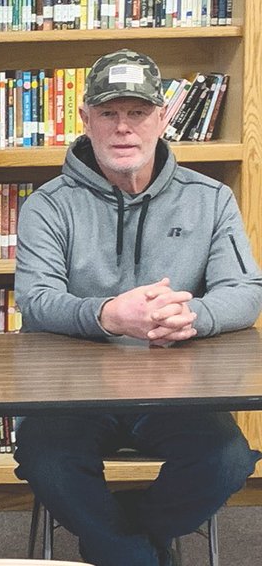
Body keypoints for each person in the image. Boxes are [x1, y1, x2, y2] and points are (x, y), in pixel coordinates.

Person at [14, 49, 262, 566]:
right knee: (47, 461)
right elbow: (36, 302)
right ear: (85, 120)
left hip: (177, 390)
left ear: (163, 118)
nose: (123, 128)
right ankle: (136, 553)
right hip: (70, 392)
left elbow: (246, 290)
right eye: (108, 114)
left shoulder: (211, 199)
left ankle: (117, 535)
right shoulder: (48, 204)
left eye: (137, 113)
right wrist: (108, 316)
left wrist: (194, 317)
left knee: (228, 459)